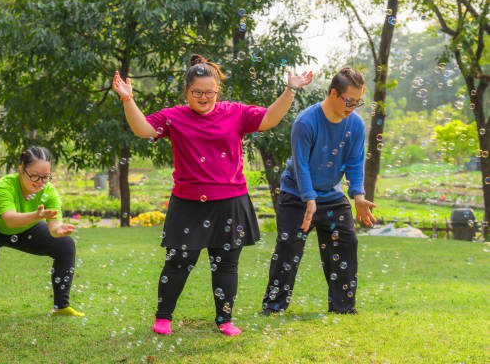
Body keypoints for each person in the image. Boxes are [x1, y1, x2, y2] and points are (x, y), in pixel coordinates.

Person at [112, 54, 312, 336]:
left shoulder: (236, 112)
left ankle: (225, 320)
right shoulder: (174, 116)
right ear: (186, 91)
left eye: (210, 92)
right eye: (197, 92)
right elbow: (143, 129)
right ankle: (163, 317)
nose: (203, 97)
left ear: (218, 91)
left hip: (230, 202)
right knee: (179, 260)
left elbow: (269, 119)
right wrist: (127, 99)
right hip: (188, 203)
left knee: (227, 264)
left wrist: (290, 89)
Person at [261, 67, 376, 316]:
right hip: (296, 195)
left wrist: (358, 196)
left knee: (346, 242)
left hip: (332, 196)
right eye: (349, 101)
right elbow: (300, 165)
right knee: (289, 247)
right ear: (333, 93)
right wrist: (309, 199)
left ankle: (343, 307)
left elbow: (355, 162)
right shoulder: (306, 122)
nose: (353, 107)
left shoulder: (355, 124)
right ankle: (273, 306)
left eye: (358, 102)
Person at [0, 146, 83, 330]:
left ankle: (61, 306)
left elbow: (54, 225)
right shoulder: (4, 186)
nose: (40, 182)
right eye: (34, 175)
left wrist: (58, 231)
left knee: (65, 246)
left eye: (45, 176)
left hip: (23, 226)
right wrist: (37, 216)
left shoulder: (49, 192)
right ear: (21, 169)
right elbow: (10, 220)